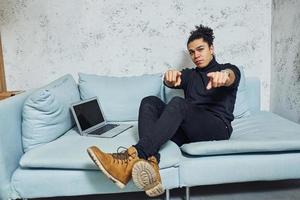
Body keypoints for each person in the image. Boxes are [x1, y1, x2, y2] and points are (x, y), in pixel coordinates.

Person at [87, 24, 240, 197]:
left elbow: (231, 76)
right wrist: (169, 78)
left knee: (178, 103)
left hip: (217, 128)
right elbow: (173, 81)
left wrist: (224, 76)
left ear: (211, 48)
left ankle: (131, 157)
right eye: (191, 52)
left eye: (200, 49)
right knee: (149, 101)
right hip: (189, 129)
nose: (196, 55)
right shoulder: (190, 75)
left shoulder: (228, 69)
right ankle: (152, 164)